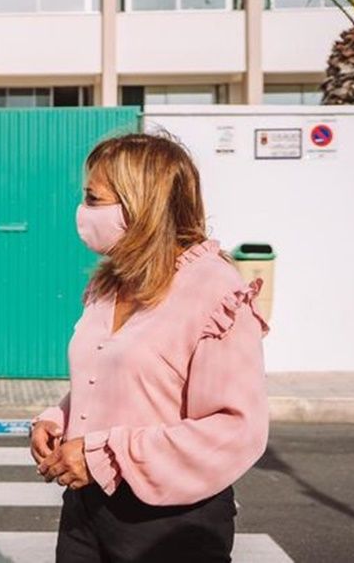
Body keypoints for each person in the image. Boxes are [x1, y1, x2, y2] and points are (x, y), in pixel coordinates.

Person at [33, 133, 270, 563]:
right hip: (87, 508)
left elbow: (235, 427)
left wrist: (106, 455)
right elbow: (109, 379)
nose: (83, 211)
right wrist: (59, 419)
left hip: (170, 524)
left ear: (140, 204)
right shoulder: (109, 283)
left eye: (93, 198)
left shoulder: (214, 288)